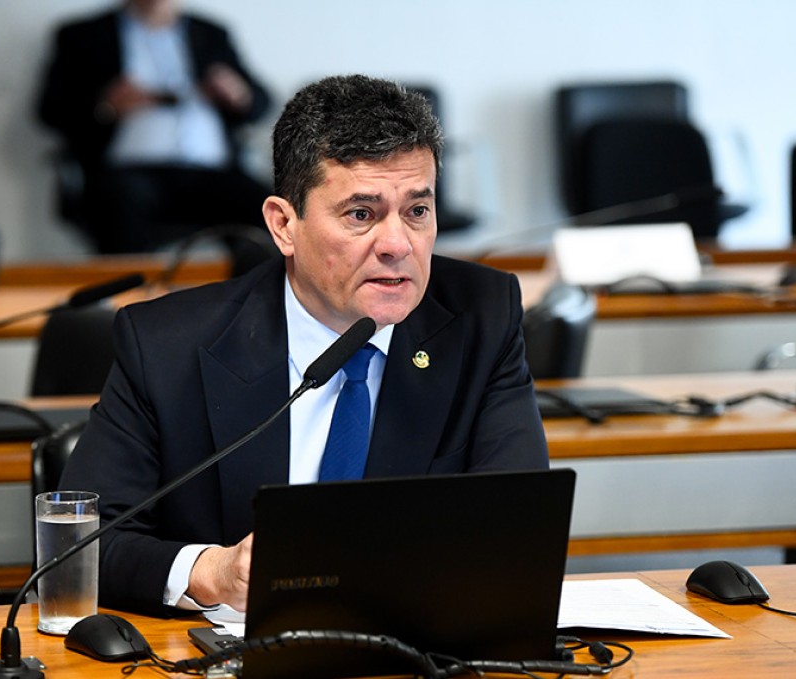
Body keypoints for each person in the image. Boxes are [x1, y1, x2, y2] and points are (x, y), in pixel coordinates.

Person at [59, 74, 550, 618]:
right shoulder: (166, 344)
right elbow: (82, 545)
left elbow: (518, 530)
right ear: (283, 225)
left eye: (417, 211)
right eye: (361, 214)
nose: (397, 245)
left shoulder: (482, 317)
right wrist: (211, 572)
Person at [36, 0, 273, 255]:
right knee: (119, 202)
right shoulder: (85, 35)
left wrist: (239, 94)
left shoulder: (211, 33)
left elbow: (262, 104)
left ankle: (257, 281)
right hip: (129, 172)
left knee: (270, 210)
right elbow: (50, 111)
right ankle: (129, 282)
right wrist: (106, 106)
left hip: (212, 171)